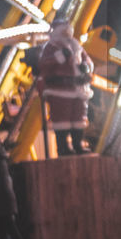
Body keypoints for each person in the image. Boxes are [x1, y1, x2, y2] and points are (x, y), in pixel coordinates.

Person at [38, 19, 93, 155]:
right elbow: (44, 65)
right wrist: (61, 56)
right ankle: (63, 147)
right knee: (61, 119)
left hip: (79, 88)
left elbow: (87, 60)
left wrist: (86, 66)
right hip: (60, 89)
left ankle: (77, 144)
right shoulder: (51, 47)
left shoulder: (76, 46)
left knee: (78, 118)